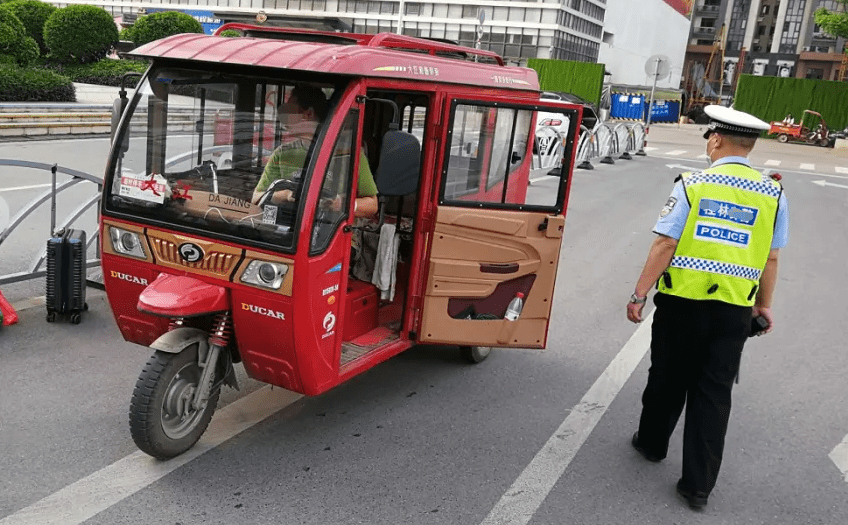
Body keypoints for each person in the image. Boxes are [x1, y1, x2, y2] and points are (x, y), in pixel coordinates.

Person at [626, 105, 789, 510]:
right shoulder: (773, 193)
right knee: (714, 394)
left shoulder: (692, 184)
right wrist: (763, 306)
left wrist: (639, 293)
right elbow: (770, 258)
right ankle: (697, 487)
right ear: (748, 146)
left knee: (667, 376)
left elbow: (665, 243)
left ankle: (651, 445)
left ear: (715, 139)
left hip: (682, 304)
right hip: (734, 310)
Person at [251, 84, 378, 218]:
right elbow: (256, 198)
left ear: (309, 113)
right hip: (287, 233)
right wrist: (284, 195)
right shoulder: (282, 153)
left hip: (330, 234)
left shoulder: (349, 154)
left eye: (290, 112)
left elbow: (372, 205)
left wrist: (341, 205)